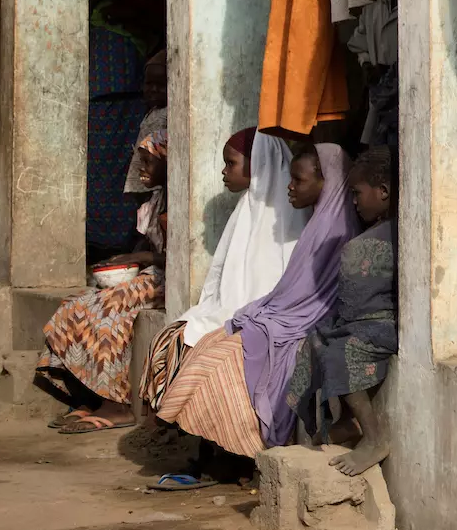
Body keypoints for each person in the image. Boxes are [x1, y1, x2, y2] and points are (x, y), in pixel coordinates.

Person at [157, 142, 357, 459]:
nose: (291, 186)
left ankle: (239, 454)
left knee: (224, 362)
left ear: (326, 181)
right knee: (211, 343)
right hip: (282, 319)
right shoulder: (317, 222)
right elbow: (291, 292)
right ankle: (210, 453)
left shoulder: (336, 230)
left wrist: (264, 317)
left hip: (300, 327)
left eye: (300, 180)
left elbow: (312, 303)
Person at [38, 57, 171, 433]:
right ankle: (88, 395)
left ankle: (119, 404)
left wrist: (143, 256)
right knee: (77, 303)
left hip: (164, 280)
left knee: (111, 315)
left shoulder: (174, 204)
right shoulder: (155, 200)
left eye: (149, 160)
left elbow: (179, 260)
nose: (140, 167)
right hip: (151, 273)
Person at [141, 130, 304, 425]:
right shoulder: (247, 208)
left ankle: (220, 445)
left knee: (206, 354)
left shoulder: (287, 214)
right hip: (238, 314)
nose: (224, 171)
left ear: (258, 164)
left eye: (231, 163)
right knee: (170, 339)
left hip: (261, 321)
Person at [288, 146, 399, 475]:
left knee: (341, 352)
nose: (353, 201)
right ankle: (340, 425)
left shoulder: (373, 243)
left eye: (357, 193)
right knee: (314, 342)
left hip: (384, 326)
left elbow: (360, 303)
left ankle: (375, 438)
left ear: (383, 192)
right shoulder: (371, 238)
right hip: (364, 321)